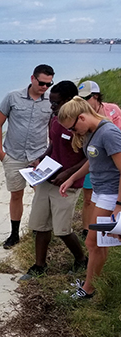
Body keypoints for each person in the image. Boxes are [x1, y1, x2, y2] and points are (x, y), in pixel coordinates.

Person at [20, 81, 87, 281]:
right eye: (51, 103)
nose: (52, 108)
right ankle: (39, 265)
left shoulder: (80, 126)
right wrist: (40, 159)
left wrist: (69, 174)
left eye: (56, 104)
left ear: (69, 101)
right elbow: (53, 146)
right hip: (48, 178)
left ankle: (81, 259)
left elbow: (89, 158)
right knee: (39, 224)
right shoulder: (55, 120)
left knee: (62, 229)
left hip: (68, 184)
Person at [59, 97, 121, 299]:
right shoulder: (92, 132)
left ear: (82, 117)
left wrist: (118, 205)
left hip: (111, 193)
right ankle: (90, 284)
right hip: (99, 190)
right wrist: (73, 177)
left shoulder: (109, 133)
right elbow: (93, 160)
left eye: (73, 129)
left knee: (92, 243)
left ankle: (88, 289)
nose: (74, 133)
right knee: (98, 244)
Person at [0, 64, 55, 249]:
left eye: (49, 84)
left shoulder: (51, 101)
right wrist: (0, 153)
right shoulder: (12, 97)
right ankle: (14, 234)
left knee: (41, 194)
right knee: (16, 195)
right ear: (32, 78)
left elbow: (53, 130)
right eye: (42, 83)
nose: (45, 87)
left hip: (39, 155)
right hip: (13, 155)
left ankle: (39, 228)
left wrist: (50, 154)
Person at [77, 80, 121, 239]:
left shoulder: (112, 110)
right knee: (88, 198)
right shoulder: (82, 116)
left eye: (86, 98)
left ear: (96, 96)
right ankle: (87, 229)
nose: (83, 103)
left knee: (106, 201)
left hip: (110, 161)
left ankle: (96, 233)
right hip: (93, 160)